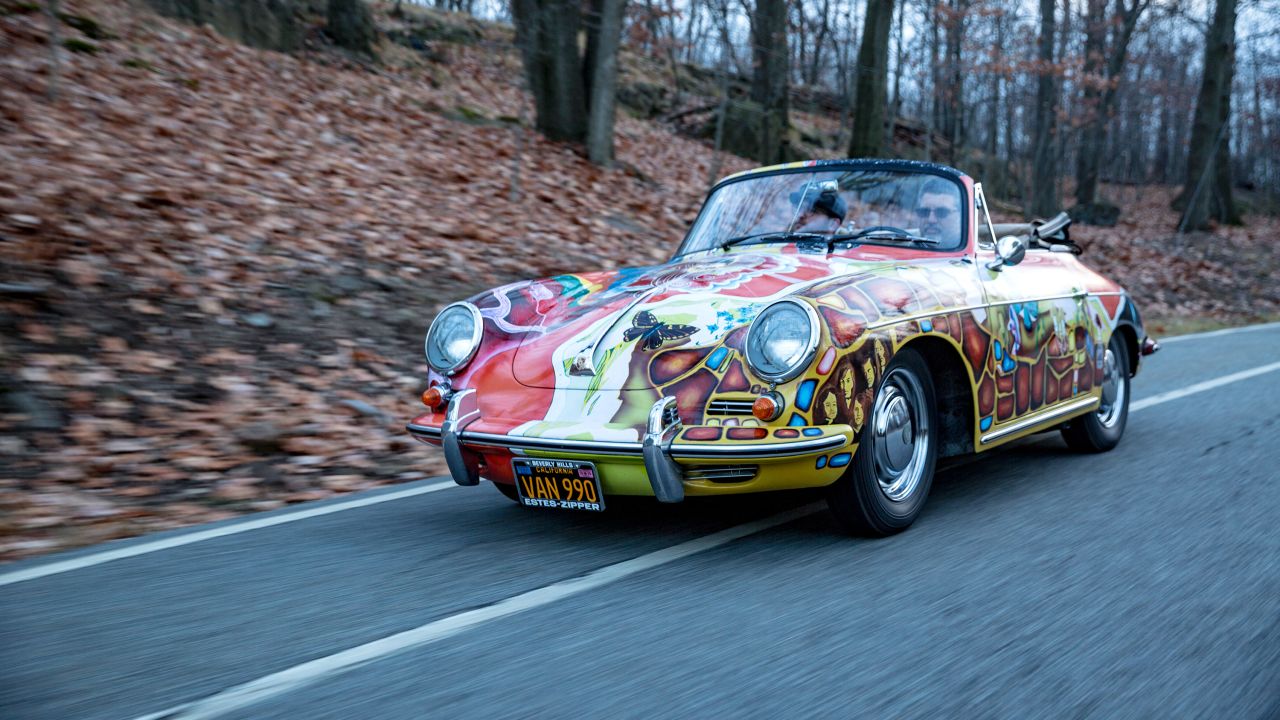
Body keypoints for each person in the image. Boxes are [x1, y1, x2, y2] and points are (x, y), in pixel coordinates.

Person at [913, 177, 961, 245]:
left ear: (960, 216)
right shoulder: (905, 240)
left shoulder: (975, 250)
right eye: (924, 211)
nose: (931, 220)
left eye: (941, 212)